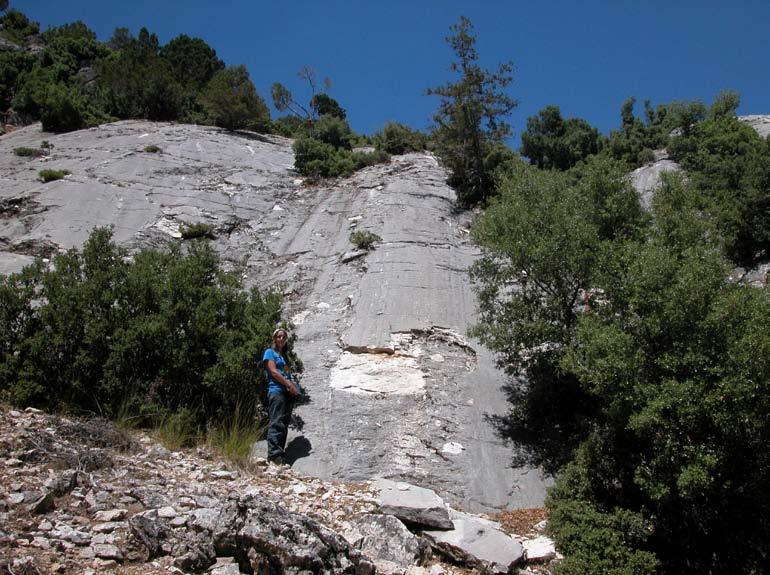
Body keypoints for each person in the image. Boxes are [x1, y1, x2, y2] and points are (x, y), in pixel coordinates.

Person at [263, 328, 300, 465]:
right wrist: (289, 384)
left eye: (284, 337)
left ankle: (280, 454)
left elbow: (286, 373)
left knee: (283, 424)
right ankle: (273, 455)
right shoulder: (269, 352)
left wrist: (293, 387)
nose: (281, 339)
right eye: (279, 337)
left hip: (286, 393)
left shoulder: (283, 357)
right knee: (276, 421)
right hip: (276, 390)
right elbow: (273, 372)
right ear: (274, 338)